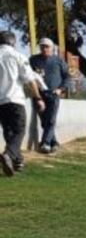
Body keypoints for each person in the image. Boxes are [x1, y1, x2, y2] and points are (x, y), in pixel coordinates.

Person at [0, 31, 45, 176]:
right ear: (13, 42)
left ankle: (17, 161)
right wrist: (38, 97)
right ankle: (8, 154)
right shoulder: (18, 56)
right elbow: (30, 79)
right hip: (14, 99)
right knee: (19, 130)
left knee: (9, 132)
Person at [28, 37, 70, 154]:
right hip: (39, 94)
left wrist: (60, 89)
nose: (44, 48)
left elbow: (67, 77)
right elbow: (28, 76)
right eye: (42, 46)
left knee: (51, 120)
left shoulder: (59, 61)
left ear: (52, 48)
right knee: (44, 121)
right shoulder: (33, 60)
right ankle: (54, 143)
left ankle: (45, 143)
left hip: (53, 94)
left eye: (47, 46)